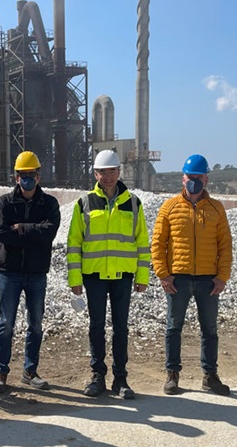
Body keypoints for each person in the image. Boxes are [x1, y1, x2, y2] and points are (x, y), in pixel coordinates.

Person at [66, 150, 150, 399]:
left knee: (121, 328)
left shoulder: (133, 202)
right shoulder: (85, 203)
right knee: (96, 327)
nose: (108, 176)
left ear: (119, 172)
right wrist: (75, 280)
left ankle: (121, 379)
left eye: (112, 171)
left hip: (123, 276)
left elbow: (142, 241)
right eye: (103, 171)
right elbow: (74, 243)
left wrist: (142, 277)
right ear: (95, 174)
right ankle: (97, 375)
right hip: (94, 276)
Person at [151, 153, 232, 396]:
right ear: (182, 179)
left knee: (209, 329)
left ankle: (210, 376)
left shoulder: (217, 209)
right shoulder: (170, 207)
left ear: (206, 179)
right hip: (178, 279)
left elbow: (225, 246)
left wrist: (222, 277)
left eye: (198, 178)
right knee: (174, 327)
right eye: (190, 178)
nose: (194, 182)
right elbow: (158, 243)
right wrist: (163, 274)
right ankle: (172, 375)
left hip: (209, 280)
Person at [0, 151, 61, 393]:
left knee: (36, 324)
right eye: (23, 175)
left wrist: (19, 229)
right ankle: (1, 371)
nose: (27, 179)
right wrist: (32, 233)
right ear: (16, 177)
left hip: (37, 273)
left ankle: (30, 371)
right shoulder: (5, 203)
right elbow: (0, 234)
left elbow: (49, 233)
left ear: (39, 177)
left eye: (31, 175)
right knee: (6, 323)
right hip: (9, 272)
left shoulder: (49, 204)